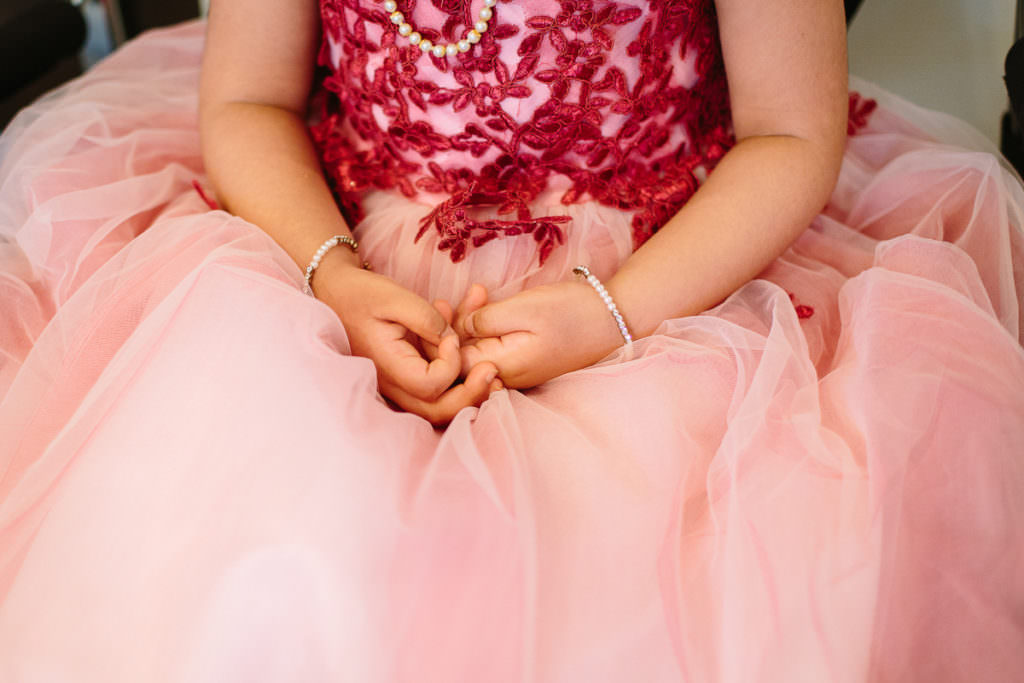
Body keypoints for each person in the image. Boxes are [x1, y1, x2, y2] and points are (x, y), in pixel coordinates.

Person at [0, 0, 1022, 680]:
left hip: (676, 259)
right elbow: (244, 99)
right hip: (329, 229)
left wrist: (610, 310)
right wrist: (332, 276)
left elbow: (792, 134)